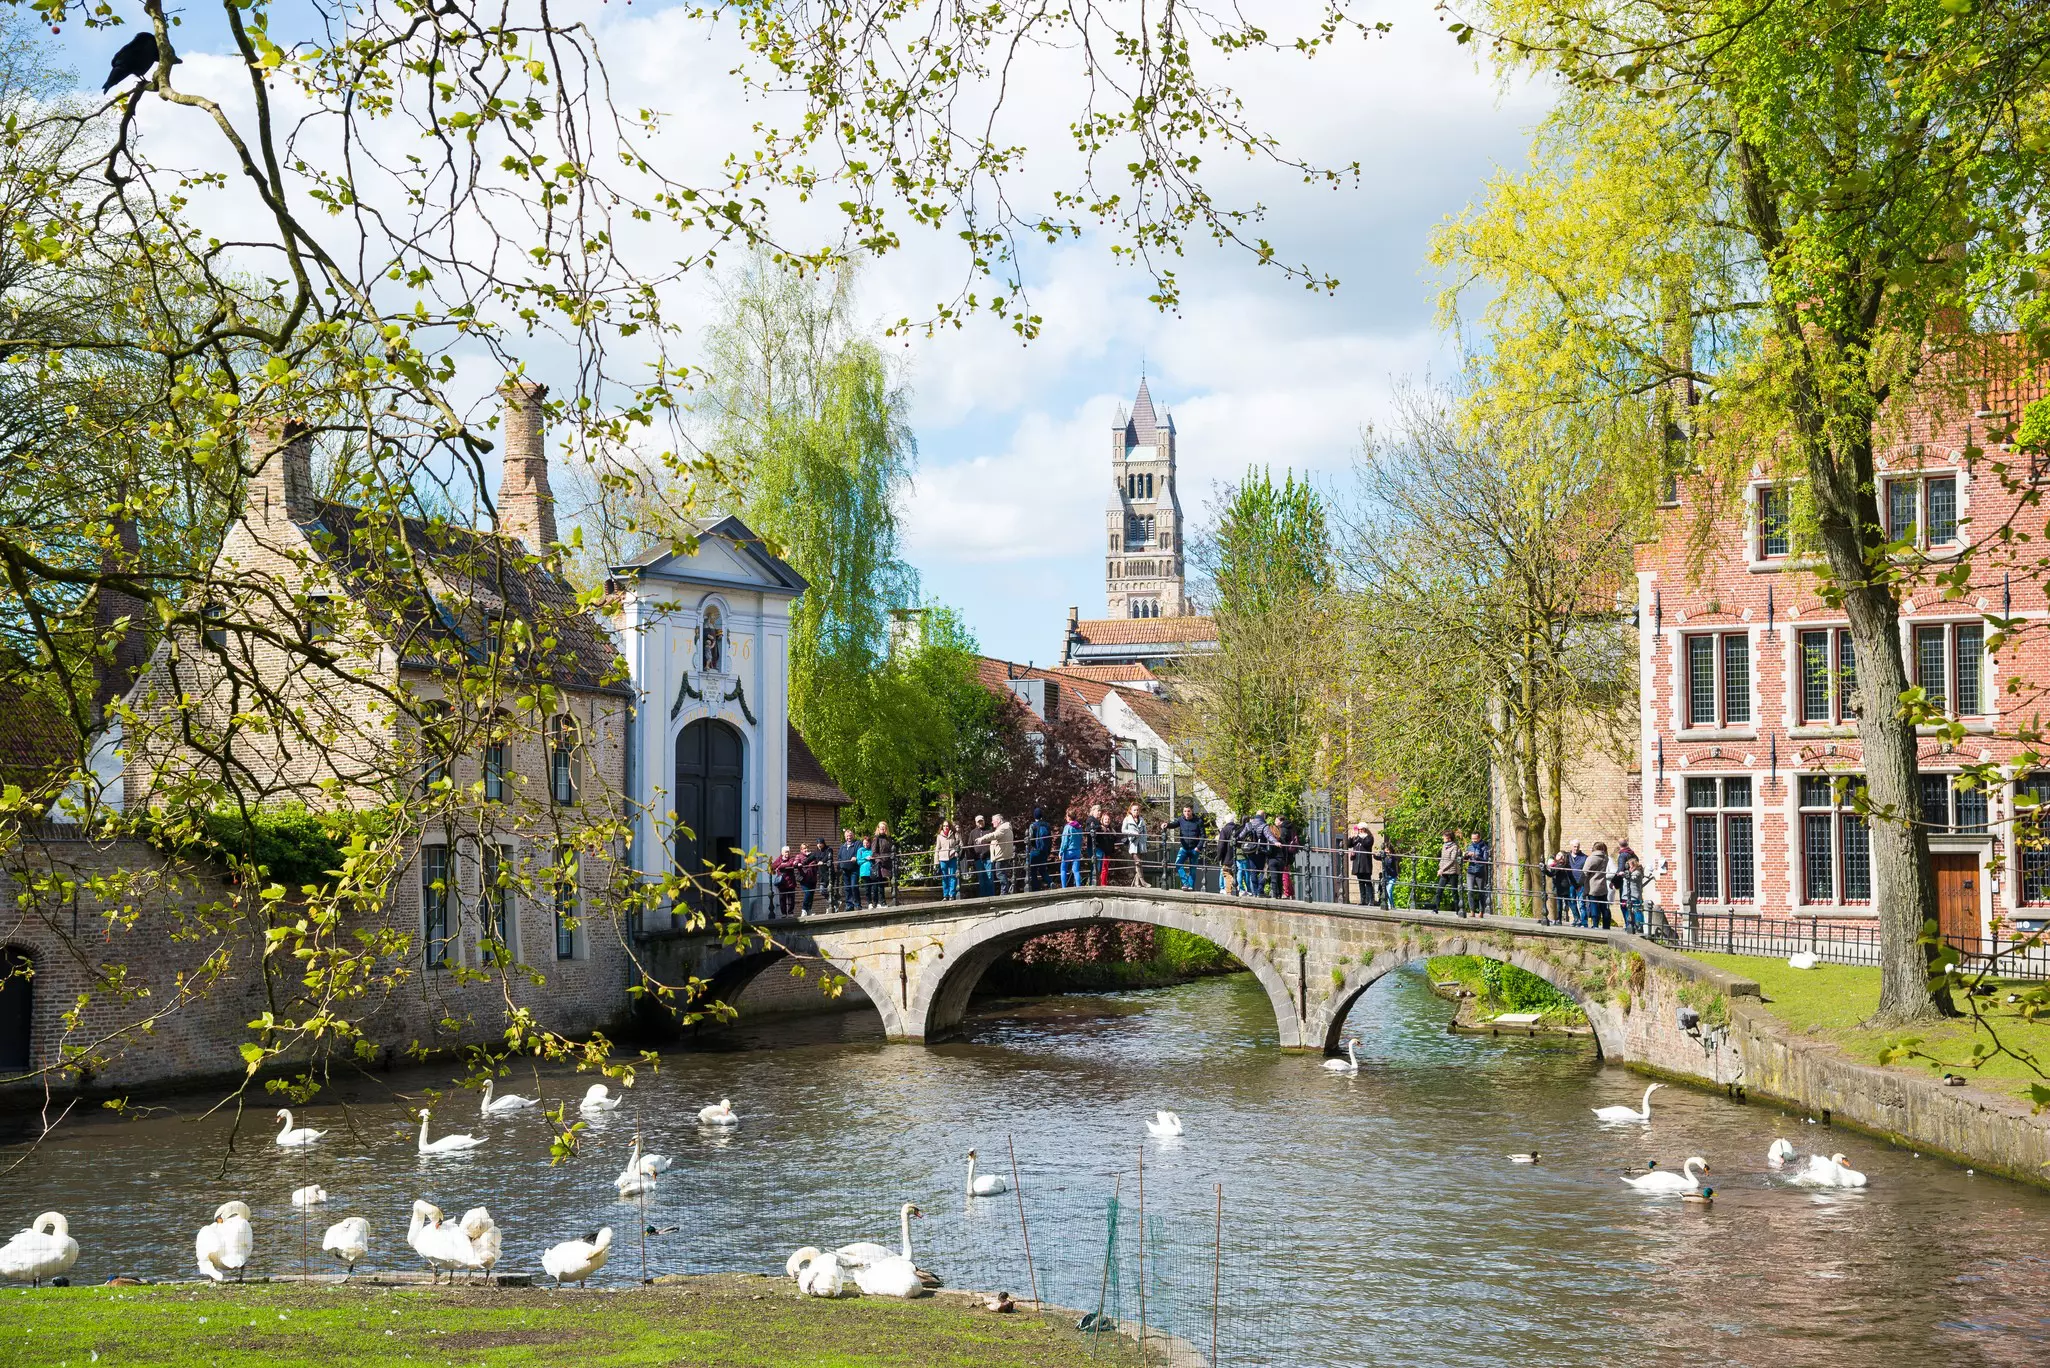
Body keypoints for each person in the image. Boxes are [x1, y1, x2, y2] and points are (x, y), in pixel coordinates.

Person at [1174, 804, 1206, 891]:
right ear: (1183, 812)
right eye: (1185, 811)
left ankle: (1191, 886)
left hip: (1194, 848)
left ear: (1191, 811)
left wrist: (1198, 847)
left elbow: (1203, 835)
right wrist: (1166, 825)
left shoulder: (1198, 821)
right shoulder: (1181, 820)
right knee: (1178, 864)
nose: (1187, 813)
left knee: (1193, 868)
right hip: (1184, 848)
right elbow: (1173, 824)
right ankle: (1186, 883)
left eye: (1188, 811)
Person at [1584, 842, 1612, 930]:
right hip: (1603, 886)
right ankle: (1606, 926)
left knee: (1594, 906)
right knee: (1604, 907)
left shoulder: (1591, 858)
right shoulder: (1606, 858)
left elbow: (1585, 872)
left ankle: (1595, 925)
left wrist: (1580, 884)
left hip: (1593, 886)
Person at [1347, 822, 1376, 906]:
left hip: (1365, 863)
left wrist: (1358, 837)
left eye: (1361, 829)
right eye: (1358, 829)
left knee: (1367, 881)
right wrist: (1351, 838)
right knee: (1360, 882)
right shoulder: (1356, 838)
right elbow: (1349, 845)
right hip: (1357, 863)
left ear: (1365, 829)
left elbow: (1366, 844)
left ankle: (1371, 900)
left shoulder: (1369, 837)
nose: (1359, 831)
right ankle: (1363, 900)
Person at [869, 822, 897, 907]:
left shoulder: (889, 839)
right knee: (880, 883)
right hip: (880, 862)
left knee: (894, 880)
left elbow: (892, 849)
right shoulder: (876, 839)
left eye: (884, 828)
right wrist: (882, 858)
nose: (883, 829)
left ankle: (895, 899)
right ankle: (882, 902)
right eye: (881, 828)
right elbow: (874, 853)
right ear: (878, 829)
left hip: (889, 862)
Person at [1242, 812, 1270, 897]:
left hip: (1251, 850)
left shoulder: (1249, 824)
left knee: (1253, 872)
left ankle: (1254, 892)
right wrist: (1276, 842)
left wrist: (1235, 840)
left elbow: (1241, 835)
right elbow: (1269, 836)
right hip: (1262, 851)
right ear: (1263, 816)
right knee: (1263, 871)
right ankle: (1260, 891)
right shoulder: (1264, 825)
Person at [1027, 807, 1055, 892]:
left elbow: (1031, 839)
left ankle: (1036, 889)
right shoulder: (1047, 825)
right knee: (1043, 869)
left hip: (1035, 851)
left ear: (1034, 816)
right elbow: (1050, 839)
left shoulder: (1033, 826)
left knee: (1033, 870)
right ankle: (1050, 882)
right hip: (1044, 851)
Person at [1271, 814, 1298, 899]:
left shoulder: (1283, 829)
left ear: (1280, 821)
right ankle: (1290, 892)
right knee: (1287, 872)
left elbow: (1282, 841)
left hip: (1285, 854)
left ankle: (1286, 893)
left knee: (1284, 873)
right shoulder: (1290, 827)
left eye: (1276, 820)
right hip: (1290, 853)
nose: (1275, 822)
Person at [1465, 831, 1491, 918]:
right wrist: (1465, 856)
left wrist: (1476, 856)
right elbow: (1465, 860)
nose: (1473, 841)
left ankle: (1481, 912)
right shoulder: (1470, 846)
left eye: (1475, 839)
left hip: (1480, 872)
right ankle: (1472, 911)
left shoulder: (1485, 847)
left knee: (1481, 892)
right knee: (1470, 891)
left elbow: (1485, 861)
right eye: (1472, 839)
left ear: (1479, 838)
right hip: (1470, 871)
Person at [1617, 853, 1646, 934]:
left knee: (1637, 911)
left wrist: (1624, 874)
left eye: (1630, 866)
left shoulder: (1638, 872)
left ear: (1634, 865)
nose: (1629, 868)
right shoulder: (1628, 872)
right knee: (1625, 910)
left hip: (1634, 896)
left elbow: (1632, 878)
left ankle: (1639, 926)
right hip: (1625, 896)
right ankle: (1628, 925)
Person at [1120, 803, 1147, 887]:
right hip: (1133, 843)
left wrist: (1145, 840)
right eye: (1134, 810)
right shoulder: (1127, 819)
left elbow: (1145, 832)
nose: (1136, 811)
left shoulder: (1142, 820)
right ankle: (1143, 881)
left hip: (1141, 844)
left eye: (1137, 810)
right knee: (1138, 862)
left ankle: (1137, 883)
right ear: (1131, 811)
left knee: (1139, 864)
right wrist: (1133, 833)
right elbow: (1123, 830)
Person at [989, 812, 1017, 894]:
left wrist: (982, 839)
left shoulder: (1002, 829)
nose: (992, 822)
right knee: (1002, 873)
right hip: (1003, 855)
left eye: (993, 820)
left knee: (1000, 874)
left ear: (998, 820)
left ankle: (1004, 891)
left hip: (1001, 856)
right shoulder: (1004, 828)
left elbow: (994, 836)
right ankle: (1005, 890)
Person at [836, 828, 863, 911]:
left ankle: (858, 904)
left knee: (854, 886)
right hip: (845, 870)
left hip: (854, 869)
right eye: (847, 836)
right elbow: (839, 857)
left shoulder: (857, 843)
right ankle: (849, 905)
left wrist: (855, 857)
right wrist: (840, 865)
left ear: (853, 836)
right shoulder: (842, 847)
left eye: (850, 836)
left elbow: (860, 852)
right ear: (845, 837)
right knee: (847, 888)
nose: (849, 837)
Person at [934, 819, 961, 901]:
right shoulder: (939, 836)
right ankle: (945, 895)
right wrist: (936, 862)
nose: (946, 827)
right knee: (944, 877)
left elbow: (960, 844)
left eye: (947, 826)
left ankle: (952, 895)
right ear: (942, 827)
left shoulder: (955, 834)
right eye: (944, 826)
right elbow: (937, 849)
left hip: (952, 857)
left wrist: (956, 852)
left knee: (953, 876)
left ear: (950, 827)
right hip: (942, 858)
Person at [1545, 850, 1573, 926]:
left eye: (1560, 855)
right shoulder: (1563, 864)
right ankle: (1575, 918)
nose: (1558, 856)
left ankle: (1559, 919)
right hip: (1563, 886)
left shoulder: (1560, 865)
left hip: (1561, 886)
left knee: (1560, 903)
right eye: (1558, 854)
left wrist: (1545, 870)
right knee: (1569, 903)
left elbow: (1551, 874)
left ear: (1563, 857)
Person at [1434, 830, 1460, 913]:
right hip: (1444, 873)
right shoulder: (1444, 846)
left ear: (1448, 838)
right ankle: (1436, 909)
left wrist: (1442, 869)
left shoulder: (1454, 847)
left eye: (1444, 837)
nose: (1443, 838)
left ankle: (1458, 910)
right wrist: (1440, 867)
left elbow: (1452, 860)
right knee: (1439, 891)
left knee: (1454, 892)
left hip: (1452, 872)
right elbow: (1442, 858)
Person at [1090, 805, 1116, 886]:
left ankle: (1103, 883)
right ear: (1102, 820)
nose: (1107, 821)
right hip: (1103, 851)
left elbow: (1113, 840)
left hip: (1108, 852)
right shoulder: (1101, 829)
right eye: (1105, 819)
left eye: (1108, 819)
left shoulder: (1111, 829)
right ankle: (1102, 884)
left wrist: (1114, 834)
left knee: (1105, 869)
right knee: (1103, 869)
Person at [1059, 812, 1087, 888]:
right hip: (1077, 851)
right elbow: (1081, 839)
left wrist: (1061, 852)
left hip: (1068, 851)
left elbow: (1064, 841)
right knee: (1076, 870)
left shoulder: (1067, 827)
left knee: (1063, 869)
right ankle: (1078, 887)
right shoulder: (1079, 827)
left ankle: (1064, 887)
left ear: (1069, 817)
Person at [772, 844, 800, 918]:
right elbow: (773, 866)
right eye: (786, 852)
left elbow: (790, 864)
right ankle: (783, 913)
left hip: (790, 882)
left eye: (788, 852)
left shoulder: (791, 859)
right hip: (782, 882)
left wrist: (781, 866)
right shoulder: (779, 859)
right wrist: (781, 864)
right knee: (782, 899)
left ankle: (790, 913)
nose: (787, 853)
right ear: (782, 853)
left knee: (791, 899)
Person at [1215, 813, 1240, 896]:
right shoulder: (1238, 828)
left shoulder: (1225, 830)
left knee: (1227, 873)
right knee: (1237, 872)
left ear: (1226, 821)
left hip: (1227, 856)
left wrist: (1219, 856)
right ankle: (1238, 889)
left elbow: (1221, 845)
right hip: (1238, 855)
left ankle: (1229, 892)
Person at [800, 839, 827, 915]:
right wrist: (797, 864)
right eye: (804, 848)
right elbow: (796, 862)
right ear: (801, 850)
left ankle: (809, 910)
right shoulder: (799, 856)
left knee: (811, 895)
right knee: (808, 893)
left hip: (813, 878)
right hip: (804, 878)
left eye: (807, 848)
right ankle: (804, 909)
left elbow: (817, 860)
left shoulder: (813, 855)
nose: (806, 850)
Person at [971, 815, 994, 897]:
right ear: (976, 823)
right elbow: (969, 845)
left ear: (984, 821)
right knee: (981, 879)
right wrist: (974, 856)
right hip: (978, 859)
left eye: (981, 821)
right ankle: (983, 897)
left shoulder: (989, 830)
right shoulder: (973, 832)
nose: (980, 823)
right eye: (978, 821)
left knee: (989, 877)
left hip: (988, 858)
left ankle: (991, 896)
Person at [1568, 841, 1589, 927]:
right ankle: (1577, 919)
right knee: (1571, 902)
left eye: (1577, 846)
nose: (1576, 848)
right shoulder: (1567, 856)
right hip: (1570, 883)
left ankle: (1584, 922)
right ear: (1571, 846)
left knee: (1581, 903)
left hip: (1581, 884)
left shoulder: (1584, 857)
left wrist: (1581, 884)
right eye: (1574, 846)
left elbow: (1586, 871)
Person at [1377, 833, 1401, 909]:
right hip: (1386, 876)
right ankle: (1391, 905)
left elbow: (1395, 864)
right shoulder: (1384, 857)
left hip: (1392, 876)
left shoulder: (1393, 857)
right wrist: (1375, 854)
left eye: (1387, 850)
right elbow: (1376, 858)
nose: (1386, 851)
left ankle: (1391, 905)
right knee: (1386, 891)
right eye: (1385, 850)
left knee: (1389, 889)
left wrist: (1398, 874)